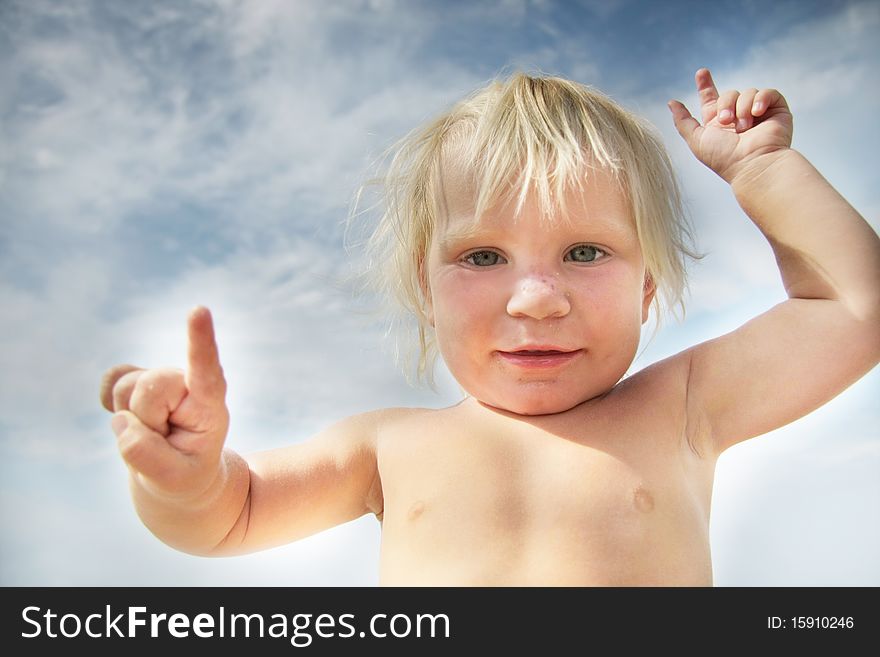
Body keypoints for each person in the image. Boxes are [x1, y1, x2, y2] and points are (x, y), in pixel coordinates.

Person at [100, 69, 880, 585]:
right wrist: (187, 476)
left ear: (646, 287)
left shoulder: (682, 406)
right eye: (482, 255)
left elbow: (851, 309)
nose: (536, 298)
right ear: (425, 288)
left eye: (584, 251)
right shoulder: (386, 444)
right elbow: (229, 515)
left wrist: (763, 170)